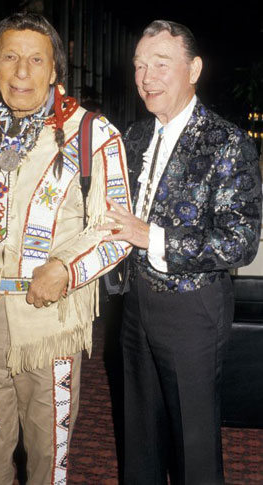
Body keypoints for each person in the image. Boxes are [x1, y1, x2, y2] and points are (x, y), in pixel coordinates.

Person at [0, 12, 131, 485]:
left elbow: (116, 228)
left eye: (35, 59)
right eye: (9, 57)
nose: (21, 71)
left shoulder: (93, 135)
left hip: (49, 326)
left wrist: (65, 268)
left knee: (49, 455)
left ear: (54, 71)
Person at [99, 20, 262, 485]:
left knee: (193, 443)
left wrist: (150, 236)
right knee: (139, 435)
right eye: (139, 65)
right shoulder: (131, 137)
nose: (146, 76)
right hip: (134, 306)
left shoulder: (227, 143)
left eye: (160, 63)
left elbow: (240, 241)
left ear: (193, 69)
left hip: (193, 310)